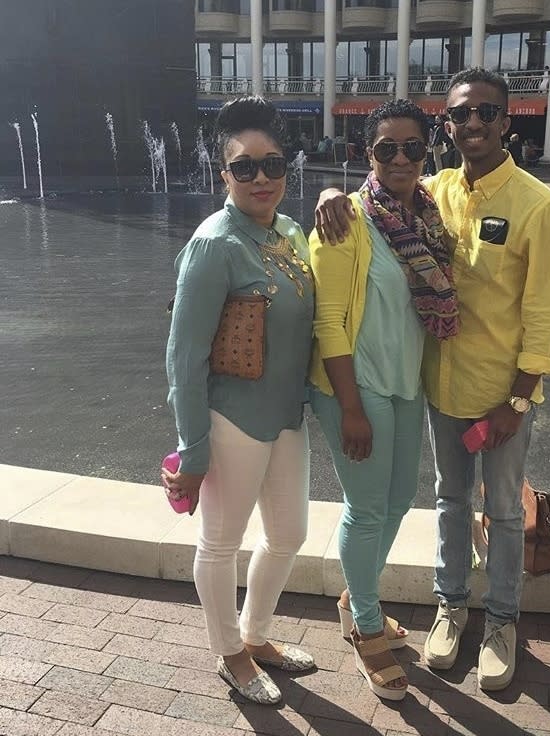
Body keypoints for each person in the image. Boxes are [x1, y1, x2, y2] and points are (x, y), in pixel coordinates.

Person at [314, 67, 550, 692]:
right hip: (438, 386)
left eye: (486, 112)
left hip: (503, 394)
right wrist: (328, 199)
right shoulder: (437, 191)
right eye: (460, 114)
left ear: (507, 121)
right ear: (447, 126)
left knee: (504, 512)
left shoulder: (539, 205)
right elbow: (375, 195)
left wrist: (519, 397)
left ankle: (503, 622)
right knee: (450, 502)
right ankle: (451, 608)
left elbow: (545, 313)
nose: (473, 123)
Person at [163, 96, 315, 705]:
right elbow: (183, 358)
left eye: (272, 165)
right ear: (223, 173)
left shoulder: (291, 232)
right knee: (221, 543)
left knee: (289, 535)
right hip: (230, 419)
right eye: (244, 166)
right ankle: (230, 652)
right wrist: (192, 447)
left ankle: (256, 635)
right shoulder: (213, 245)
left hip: (286, 416)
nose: (260, 178)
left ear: (287, 171)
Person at [309, 99, 458, 701]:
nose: (400, 159)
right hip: (354, 385)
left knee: (398, 501)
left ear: (428, 152)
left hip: (404, 382)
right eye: (385, 149)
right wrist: (348, 407)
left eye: (412, 147)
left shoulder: (428, 216)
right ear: (365, 155)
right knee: (367, 509)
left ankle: (354, 597)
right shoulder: (345, 220)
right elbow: (327, 322)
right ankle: (367, 630)